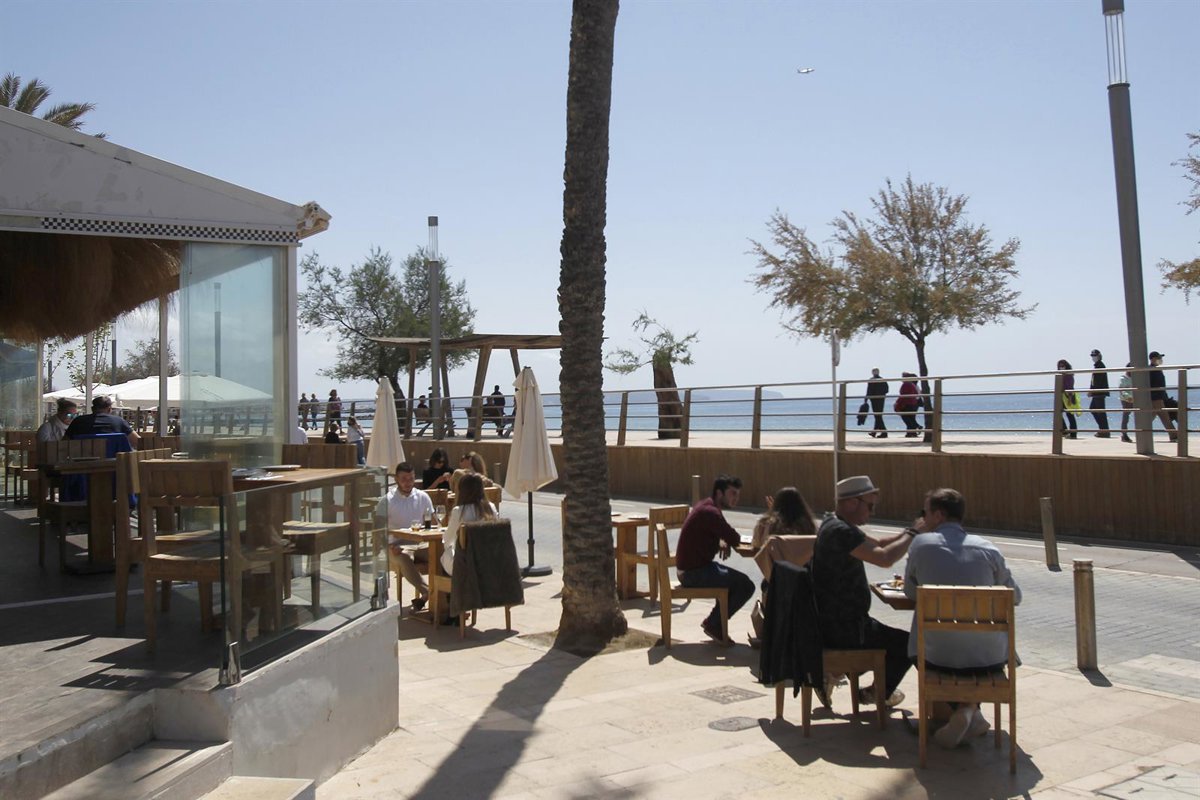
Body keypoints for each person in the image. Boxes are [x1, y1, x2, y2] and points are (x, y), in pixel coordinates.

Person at [902, 487, 1022, 749]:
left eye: (925, 512)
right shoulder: (989, 549)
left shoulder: (921, 545)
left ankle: (964, 711)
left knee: (919, 646)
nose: (922, 518)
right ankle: (968, 711)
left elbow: (910, 592)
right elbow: (1015, 596)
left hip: (937, 657)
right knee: (967, 649)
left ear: (939, 515)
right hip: (989, 659)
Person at [811, 475, 916, 708]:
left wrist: (911, 531)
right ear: (851, 502)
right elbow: (884, 558)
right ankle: (875, 693)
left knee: (895, 640)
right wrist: (913, 535)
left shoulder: (833, 523)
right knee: (909, 645)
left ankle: (838, 676)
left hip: (839, 624)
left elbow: (878, 543)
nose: (872, 512)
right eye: (870, 506)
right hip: (846, 630)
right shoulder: (841, 532)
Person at [675, 475, 754, 645]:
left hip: (692, 569)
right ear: (719, 493)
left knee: (732, 581)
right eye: (732, 493)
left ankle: (714, 622)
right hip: (693, 573)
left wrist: (721, 540)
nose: (736, 498)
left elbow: (720, 533)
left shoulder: (706, 506)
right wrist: (726, 539)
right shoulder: (711, 512)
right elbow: (734, 537)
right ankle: (714, 623)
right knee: (746, 585)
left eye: (738, 495)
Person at [383, 462, 436, 612]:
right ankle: (429, 592)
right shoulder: (388, 500)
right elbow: (378, 529)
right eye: (404, 479)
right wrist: (388, 545)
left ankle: (444, 596)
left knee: (441, 553)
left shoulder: (423, 497)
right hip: (396, 545)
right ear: (396, 479)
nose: (408, 483)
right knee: (404, 557)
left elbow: (434, 522)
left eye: (411, 479)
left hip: (420, 543)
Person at [440, 472, 497, 576]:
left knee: (444, 554)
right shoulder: (491, 508)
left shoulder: (459, 511)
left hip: (466, 565)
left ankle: (444, 586)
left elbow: (447, 540)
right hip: (489, 562)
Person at [66, 395, 138, 449]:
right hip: (114, 462)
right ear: (109, 409)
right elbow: (137, 441)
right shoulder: (119, 421)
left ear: (92, 409)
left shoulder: (78, 421)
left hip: (83, 462)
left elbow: (64, 443)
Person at [1147, 351, 1178, 442]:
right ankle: (1174, 435)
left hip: (1159, 396)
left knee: (1151, 417)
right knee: (1164, 416)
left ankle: (1140, 431)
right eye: (1159, 358)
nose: (1160, 359)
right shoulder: (1152, 370)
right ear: (1153, 359)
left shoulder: (1156, 369)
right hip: (1156, 397)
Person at [1088, 349, 1111, 438]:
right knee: (1093, 409)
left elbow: (1097, 381)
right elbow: (1094, 381)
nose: (1093, 357)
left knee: (1100, 412)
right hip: (1097, 392)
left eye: (1095, 355)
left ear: (1099, 356)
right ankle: (1103, 429)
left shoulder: (1100, 366)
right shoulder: (1097, 366)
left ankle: (1104, 430)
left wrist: (1092, 391)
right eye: (1092, 356)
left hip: (1099, 393)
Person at [1057, 359, 1079, 440]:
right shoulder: (1060, 375)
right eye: (1059, 366)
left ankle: (1073, 434)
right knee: (1058, 414)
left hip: (1068, 397)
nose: (1061, 368)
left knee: (1070, 415)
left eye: (1063, 366)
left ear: (1066, 366)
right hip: (1062, 397)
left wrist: (1069, 398)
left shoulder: (1069, 375)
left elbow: (1070, 387)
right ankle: (1065, 431)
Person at [865, 368, 889, 438]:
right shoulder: (882, 380)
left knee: (877, 416)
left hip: (874, 400)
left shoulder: (871, 380)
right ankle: (874, 432)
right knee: (878, 415)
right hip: (881, 399)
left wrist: (866, 398)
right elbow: (886, 390)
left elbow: (869, 390)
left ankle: (884, 432)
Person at [896, 372, 921, 437]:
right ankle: (912, 431)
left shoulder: (905, 385)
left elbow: (902, 395)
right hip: (913, 403)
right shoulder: (912, 385)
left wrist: (897, 403)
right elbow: (916, 394)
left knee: (906, 418)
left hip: (907, 404)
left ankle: (915, 427)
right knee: (911, 418)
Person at [1118, 363, 1134, 444]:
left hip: (1135, 399)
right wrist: (1128, 397)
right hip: (1126, 400)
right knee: (1126, 416)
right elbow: (1122, 390)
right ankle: (1124, 434)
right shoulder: (1123, 378)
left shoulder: (1135, 378)